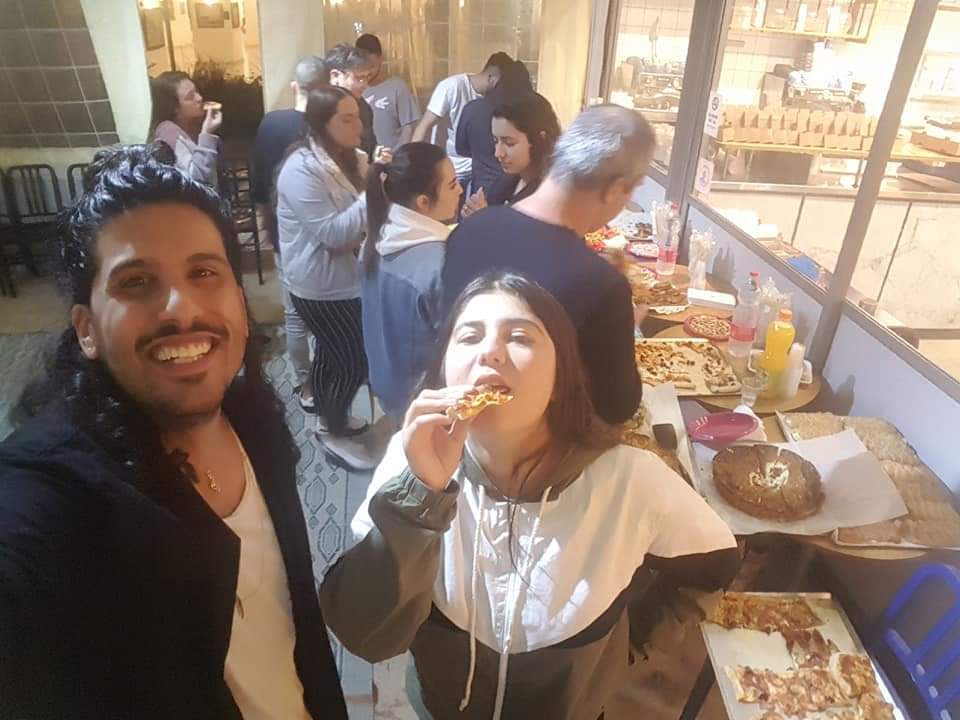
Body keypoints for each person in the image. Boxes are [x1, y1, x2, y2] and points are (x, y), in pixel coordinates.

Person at [0, 145, 347, 719]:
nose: (181, 308)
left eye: (204, 273)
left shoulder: (254, 420)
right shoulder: (56, 491)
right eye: (136, 282)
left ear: (239, 299)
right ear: (86, 330)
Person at [318, 272, 739, 720]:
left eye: (519, 337)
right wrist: (420, 497)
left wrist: (629, 646)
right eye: (469, 336)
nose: (490, 351)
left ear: (560, 378)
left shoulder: (631, 480)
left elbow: (712, 565)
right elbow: (365, 636)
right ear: (444, 372)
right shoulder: (409, 464)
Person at [441, 105, 655, 425]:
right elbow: (617, 407)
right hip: (538, 440)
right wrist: (625, 326)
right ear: (615, 188)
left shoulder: (468, 231)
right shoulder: (601, 285)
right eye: (632, 190)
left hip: (461, 423)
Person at [276, 86, 384, 471]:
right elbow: (335, 234)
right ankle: (330, 430)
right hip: (319, 285)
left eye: (359, 117)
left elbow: (364, 222)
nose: (359, 127)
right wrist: (373, 190)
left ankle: (331, 415)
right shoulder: (300, 170)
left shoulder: (353, 158)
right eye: (348, 119)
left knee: (334, 354)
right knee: (352, 359)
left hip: (347, 276)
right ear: (323, 124)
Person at [360, 142, 463, 423]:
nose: (460, 191)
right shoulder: (440, 265)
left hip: (388, 382)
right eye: (452, 185)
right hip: (427, 402)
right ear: (423, 203)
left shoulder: (377, 239)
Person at [252, 55, 329, 413]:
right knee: (329, 313)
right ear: (326, 87)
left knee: (294, 313)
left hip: (283, 229)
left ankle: (306, 386)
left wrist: (268, 225)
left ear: (295, 86)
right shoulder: (328, 126)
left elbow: (258, 186)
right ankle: (332, 379)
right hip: (325, 231)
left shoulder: (271, 124)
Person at [412, 52, 513, 187]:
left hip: (478, 170)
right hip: (452, 169)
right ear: (490, 77)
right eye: (500, 84)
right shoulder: (451, 87)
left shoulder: (495, 100)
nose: (502, 89)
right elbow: (424, 125)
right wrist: (413, 164)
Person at [461, 91, 560, 218]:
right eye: (496, 141)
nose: (498, 153)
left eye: (509, 143)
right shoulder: (505, 182)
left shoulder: (554, 194)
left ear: (540, 140)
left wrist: (484, 220)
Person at [456, 59, 533, 202]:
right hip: (519, 192)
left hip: (481, 191)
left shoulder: (473, 109)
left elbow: (461, 148)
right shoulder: (529, 112)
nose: (498, 152)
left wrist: (481, 153)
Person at [150, 70, 223, 186]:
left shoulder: (190, 127)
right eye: (190, 96)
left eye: (197, 91)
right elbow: (196, 180)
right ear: (174, 107)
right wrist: (207, 134)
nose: (199, 98)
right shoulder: (168, 133)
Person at [356, 33, 421, 150]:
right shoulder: (356, 88)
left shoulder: (397, 86)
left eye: (372, 66)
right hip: (364, 157)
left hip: (392, 156)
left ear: (380, 59)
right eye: (364, 66)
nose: (368, 72)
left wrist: (397, 155)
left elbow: (409, 127)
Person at [326, 43, 378, 158]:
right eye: (359, 78)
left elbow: (369, 148)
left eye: (367, 77)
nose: (365, 84)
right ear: (335, 76)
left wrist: (377, 157)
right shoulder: (318, 107)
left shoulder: (364, 107)